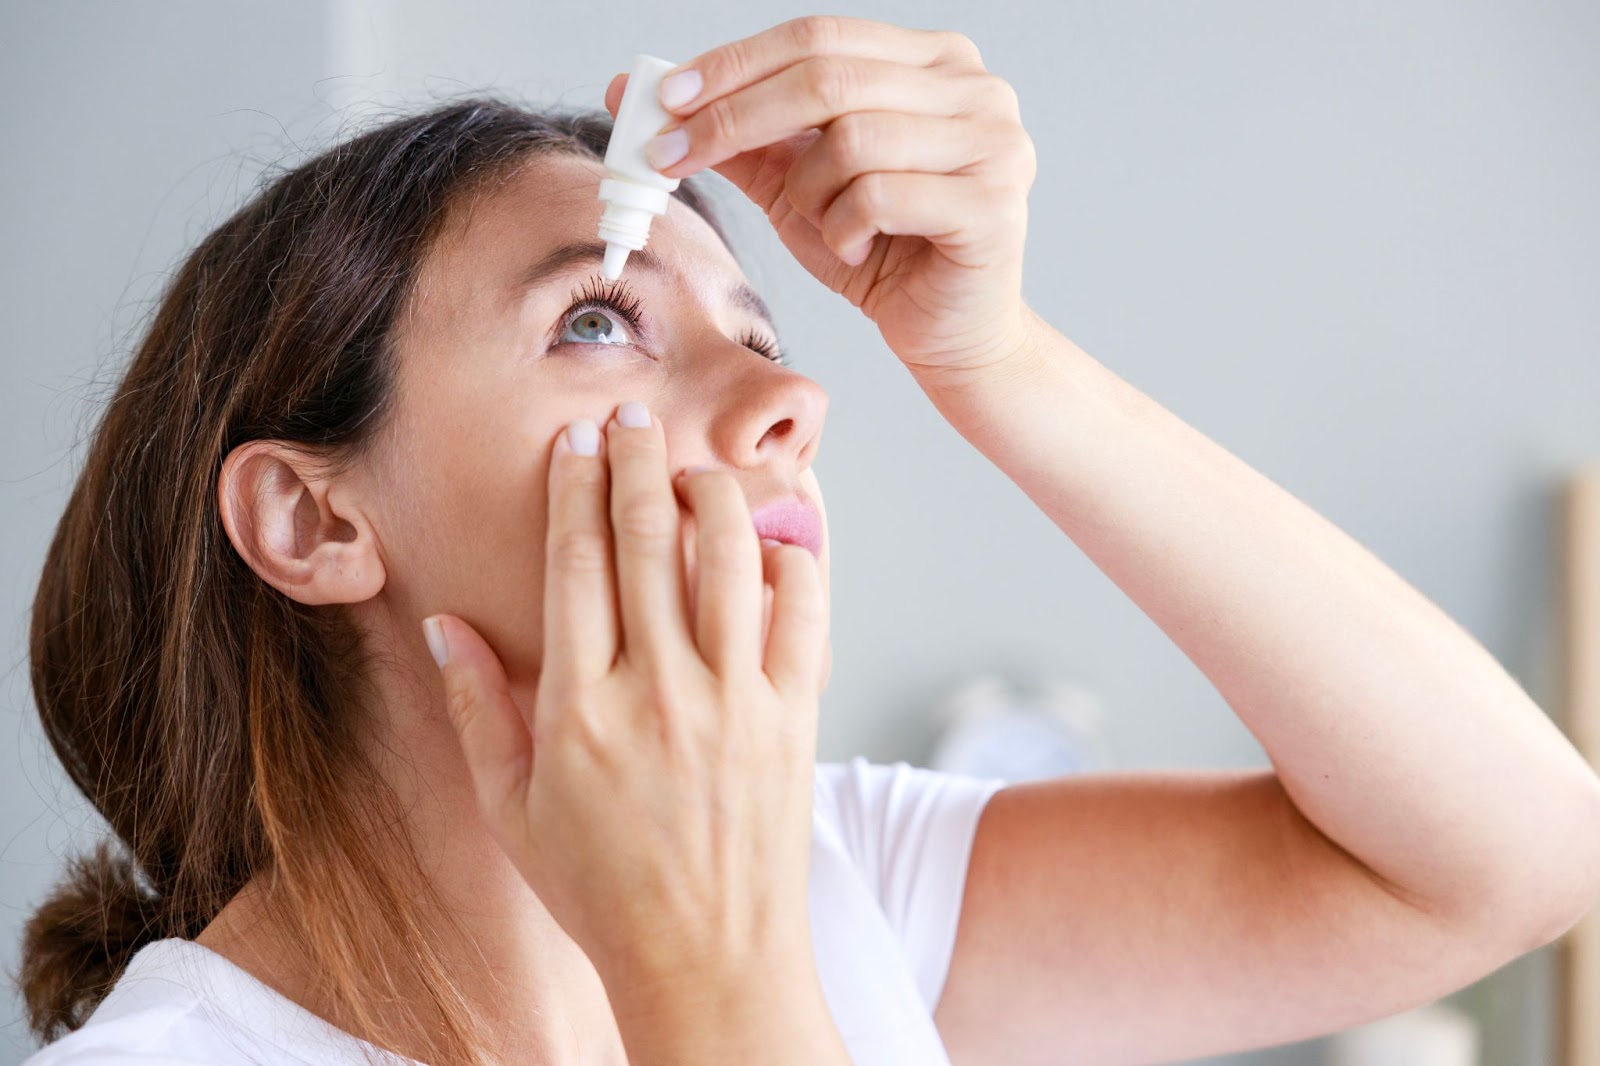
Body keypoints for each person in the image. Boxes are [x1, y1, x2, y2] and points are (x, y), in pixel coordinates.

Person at [19, 14, 1600, 1066]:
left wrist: (1000, 364)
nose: (790, 396)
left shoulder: (838, 879)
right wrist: (709, 978)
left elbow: (1504, 861)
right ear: (312, 516)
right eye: (595, 317)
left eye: (763, 328)